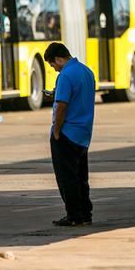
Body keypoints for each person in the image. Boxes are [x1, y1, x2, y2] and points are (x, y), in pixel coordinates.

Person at [45, 42, 96, 227]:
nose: (55, 69)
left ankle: (74, 215)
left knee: (67, 178)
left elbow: (62, 106)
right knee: (82, 177)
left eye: (53, 65)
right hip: (84, 133)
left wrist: (56, 131)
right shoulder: (87, 72)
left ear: (59, 58)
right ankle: (85, 214)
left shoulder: (65, 75)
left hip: (67, 133)